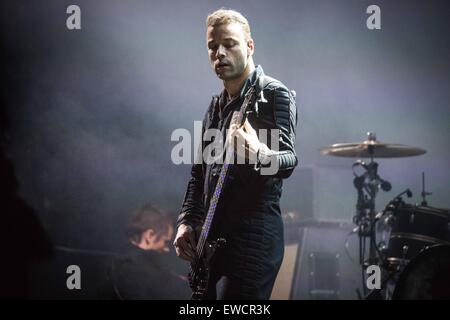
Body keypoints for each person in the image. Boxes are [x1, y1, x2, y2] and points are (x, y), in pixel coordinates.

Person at [173, 9, 298, 299]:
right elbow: (199, 174)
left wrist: (259, 152)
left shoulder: (273, 94)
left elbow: (289, 160)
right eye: (212, 47)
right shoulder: (215, 106)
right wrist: (186, 222)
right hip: (212, 238)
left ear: (250, 46)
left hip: (254, 238)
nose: (219, 53)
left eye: (229, 44)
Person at [110, 203, 190, 299]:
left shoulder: (126, 261)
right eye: (165, 241)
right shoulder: (131, 267)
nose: (166, 249)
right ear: (150, 235)